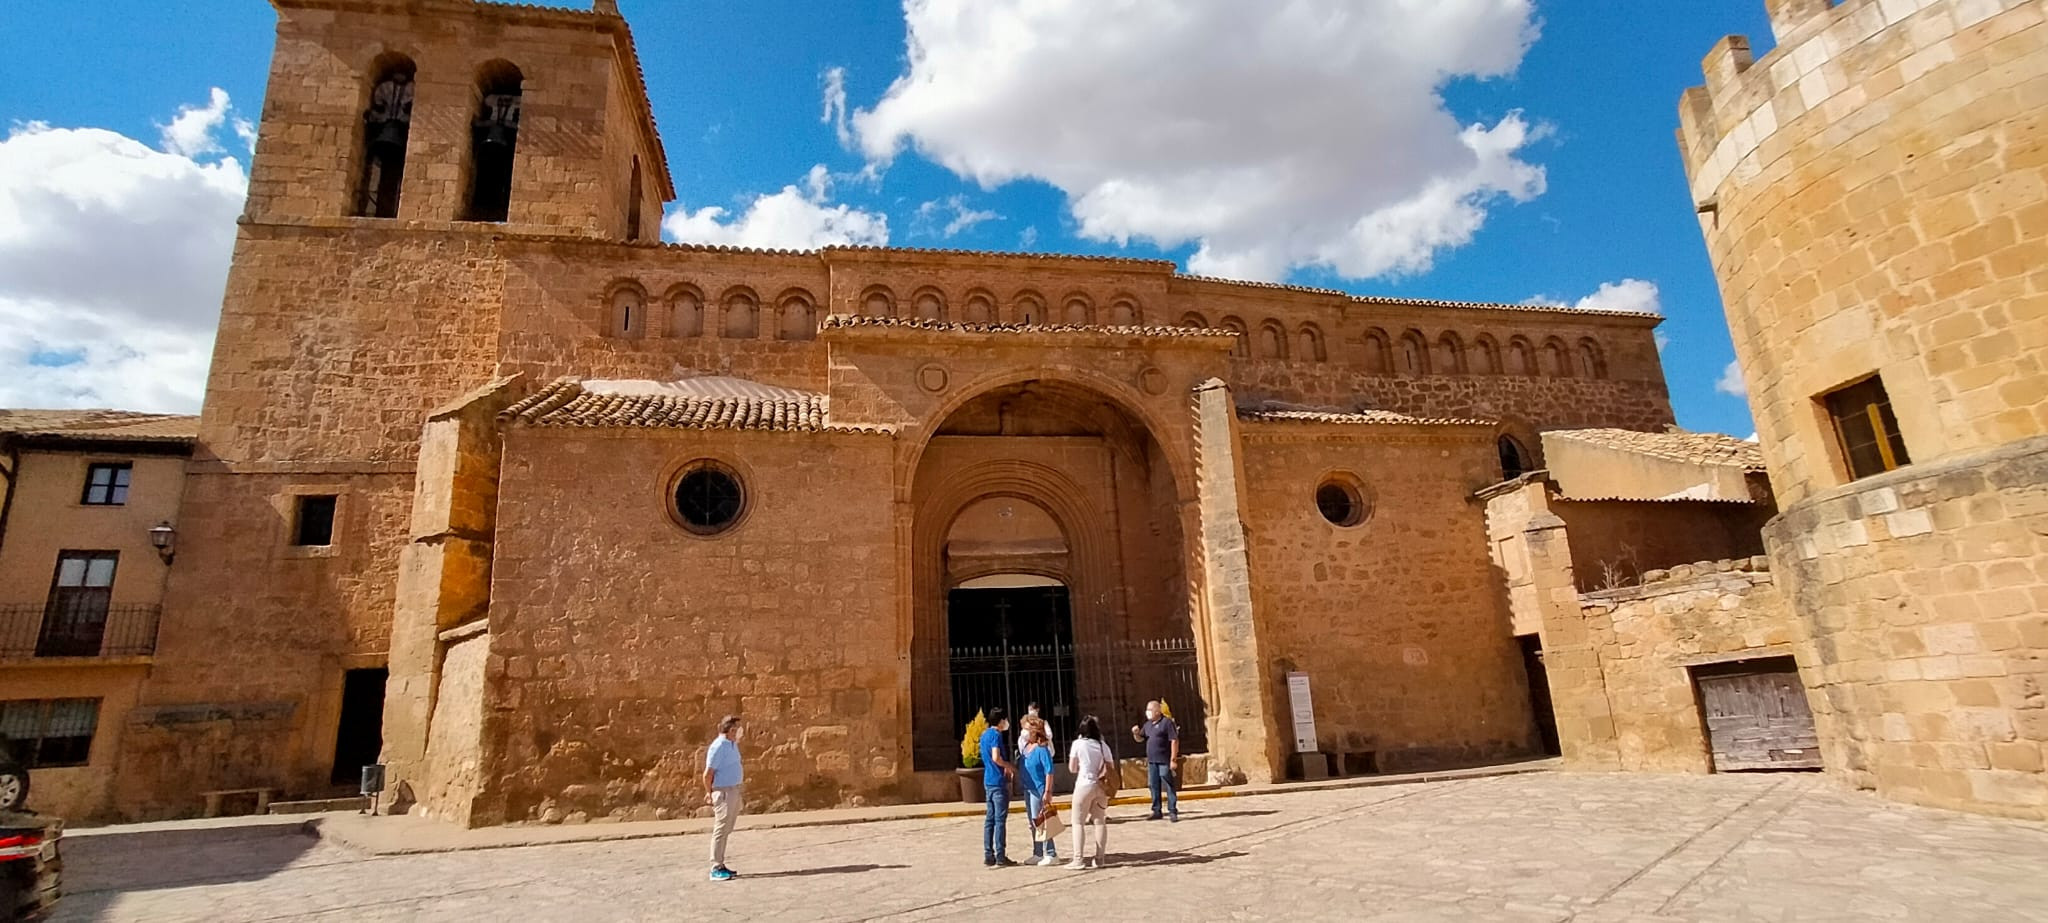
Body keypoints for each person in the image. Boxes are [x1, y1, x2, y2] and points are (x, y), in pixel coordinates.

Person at [1066, 715, 1113, 869]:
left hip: (1084, 784)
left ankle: (1078, 859)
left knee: (1078, 822)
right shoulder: (1102, 745)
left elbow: (1072, 768)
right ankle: (1100, 858)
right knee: (1100, 821)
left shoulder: (1078, 744)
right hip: (1101, 787)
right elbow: (1110, 767)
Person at [703, 715, 745, 881]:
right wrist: (709, 792)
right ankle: (715, 867)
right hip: (724, 792)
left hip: (733, 790)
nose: (741, 732)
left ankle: (721, 863)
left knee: (727, 828)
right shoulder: (719, 746)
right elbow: (708, 774)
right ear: (731, 730)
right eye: (738, 729)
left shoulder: (731, 744)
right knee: (720, 829)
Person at [980, 707, 1018, 868]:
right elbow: (996, 757)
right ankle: (1001, 855)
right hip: (997, 780)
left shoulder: (984, 735)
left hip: (988, 780)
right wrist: (1008, 766)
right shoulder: (995, 735)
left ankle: (989, 854)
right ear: (1001, 721)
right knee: (999, 820)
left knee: (990, 819)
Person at [1020, 724, 1061, 866]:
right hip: (1028, 788)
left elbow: (1049, 771)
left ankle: (1051, 852)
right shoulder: (1026, 748)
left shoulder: (1042, 749)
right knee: (1033, 823)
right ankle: (1038, 852)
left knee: (1042, 821)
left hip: (1039, 789)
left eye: (1027, 729)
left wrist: (1048, 791)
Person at [1132, 700, 1179, 822]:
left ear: (1158, 711)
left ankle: (1172, 810)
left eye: (1150, 710)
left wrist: (1173, 759)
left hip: (1164, 760)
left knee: (1168, 783)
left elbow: (1174, 740)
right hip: (1152, 761)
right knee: (1153, 785)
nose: (1147, 712)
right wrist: (1136, 733)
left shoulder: (1167, 723)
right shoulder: (1148, 724)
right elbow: (1140, 739)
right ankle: (1156, 810)